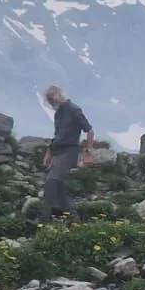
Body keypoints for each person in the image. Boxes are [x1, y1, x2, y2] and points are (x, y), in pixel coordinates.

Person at [40, 85, 94, 221]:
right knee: (59, 186)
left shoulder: (74, 110)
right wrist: (49, 153)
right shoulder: (58, 114)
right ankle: (73, 217)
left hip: (69, 151)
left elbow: (89, 130)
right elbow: (57, 135)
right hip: (58, 152)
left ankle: (44, 219)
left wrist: (88, 152)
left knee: (51, 181)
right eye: (49, 101)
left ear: (58, 97)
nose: (51, 104)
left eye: (52, 100)